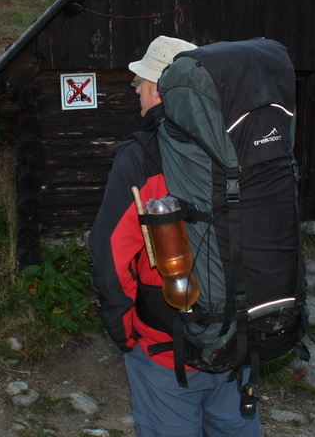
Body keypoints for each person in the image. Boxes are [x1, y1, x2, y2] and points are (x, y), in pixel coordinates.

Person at [90, 35, 261, 437]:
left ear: (158, 88)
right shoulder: (241, 146)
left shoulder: (142, 155)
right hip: (239, 335)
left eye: (141, 81)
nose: (135, 90)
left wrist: (125, 332)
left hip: (165, 345)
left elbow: (111, 250)